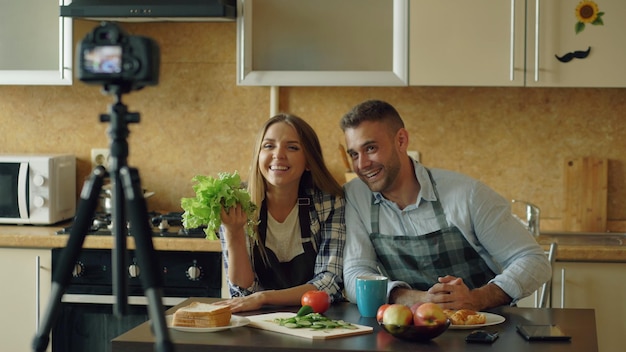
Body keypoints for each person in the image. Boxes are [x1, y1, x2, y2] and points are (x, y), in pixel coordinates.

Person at [339, 99, 551, 311]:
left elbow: (533, 261)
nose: (362, 164)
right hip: (405, 332)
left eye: (371, 148)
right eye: (354, 154)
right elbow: (355, 273)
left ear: (401, 141)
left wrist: (477, 299)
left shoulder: (468, 194)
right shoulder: (355, 196)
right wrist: (412, 297)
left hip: (485, 330)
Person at [215, 113, 346, 313]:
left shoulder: (327, 203)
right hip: (255, 322)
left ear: (309, 161)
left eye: (292, 147)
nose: (279, 154)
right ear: (258, 156)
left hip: (315, 320)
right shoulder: (237, 204)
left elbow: (329, 283)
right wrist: (233, 232)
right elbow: (241, 293)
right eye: (268, 146)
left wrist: (263, 297)